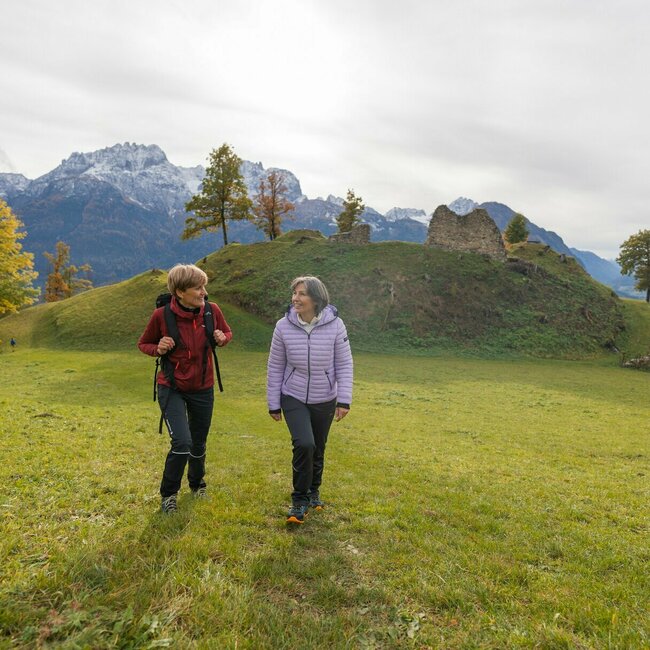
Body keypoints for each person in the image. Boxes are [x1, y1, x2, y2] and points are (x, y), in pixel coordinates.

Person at [138, 263, 232, 513]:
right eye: (197, 287)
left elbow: (227, 332)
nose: (204, 292)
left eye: (204, 286)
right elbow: (143, 343)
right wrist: (158, 347)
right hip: (172, 387)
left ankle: (197, 484)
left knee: (198, 443)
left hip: (203, 387)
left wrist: (222, 338)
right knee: (182, 443)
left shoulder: (212, 311)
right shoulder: (162, 316)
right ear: (180, 292)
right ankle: (168, 495)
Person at [267, 276, 353, 524]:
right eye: (294, 293)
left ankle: (314, 492)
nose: (295, 298)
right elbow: (275, 366)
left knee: (318, 447)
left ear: (316, 298)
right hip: (292, 395)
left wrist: (343, 400)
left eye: (301, 293)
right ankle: (299, 500)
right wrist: (274, 403)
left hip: (325, 397)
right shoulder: (283, 326)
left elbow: (344, 364)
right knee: (304, 444)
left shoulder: (336, 326)